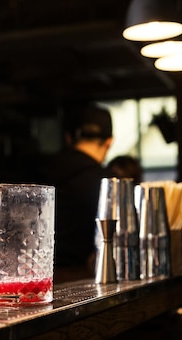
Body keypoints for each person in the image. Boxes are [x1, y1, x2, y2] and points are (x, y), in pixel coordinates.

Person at [39, 103, 116, 274]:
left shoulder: (38, 171)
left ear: (68, 137)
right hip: (86, 277)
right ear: (109, 142)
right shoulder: (110, 183)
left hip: (35, 276)